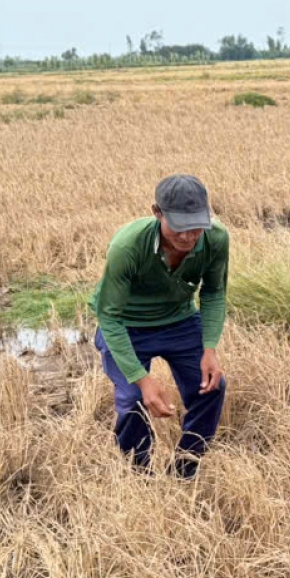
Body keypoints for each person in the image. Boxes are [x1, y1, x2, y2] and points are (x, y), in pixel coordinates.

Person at [90, 175, 228, 478]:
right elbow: (109, 317)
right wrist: (142, 380)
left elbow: (214, 292)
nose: (189, 237)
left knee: (212, 387)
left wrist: (209, 348)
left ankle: (186, 468)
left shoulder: (216, 239)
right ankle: (140, 474)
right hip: (127, 324)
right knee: (133, 401)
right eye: (179, 226)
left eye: (197, 226)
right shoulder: (127, 246)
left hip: (179, 320)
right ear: (157, 213)